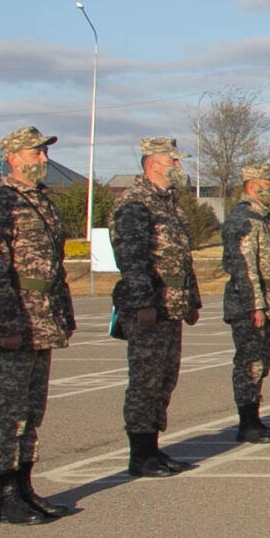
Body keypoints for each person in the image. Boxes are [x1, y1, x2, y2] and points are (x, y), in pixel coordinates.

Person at [0, 125, 75, 524]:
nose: (43, 159)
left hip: (42, 318)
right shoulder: (0, 204)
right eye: (36, 153)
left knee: (33, 409)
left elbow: (54, 267)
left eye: (44, 153)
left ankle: (26, 487)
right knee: (11, 411)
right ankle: (7, 495)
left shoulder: (42, 203)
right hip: (13, 320)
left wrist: (63, 314)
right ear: (13, 158)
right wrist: (7, 324)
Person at [111, 136, 202, 478]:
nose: (179, 167)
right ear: (152, 164)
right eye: (173, 161)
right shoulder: (136, 203)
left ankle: (154, 448)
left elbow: (181, 256)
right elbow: (132, 259)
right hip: (150, 305)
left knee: (165, 378)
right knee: (145, 380)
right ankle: (140, 454)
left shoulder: (169, 203)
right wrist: (143, 303)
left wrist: (191, 298)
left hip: (171, 306)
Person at [222, 163, 270, 443]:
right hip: (249, 301)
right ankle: (247, 423)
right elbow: (244, 266)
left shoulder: (262, 216)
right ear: (252, 185)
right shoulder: (244, 217)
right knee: (249, 363)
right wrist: (256, 305)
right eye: (269, 182)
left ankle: (254, 419)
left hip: (265, 298)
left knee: (261, 362)